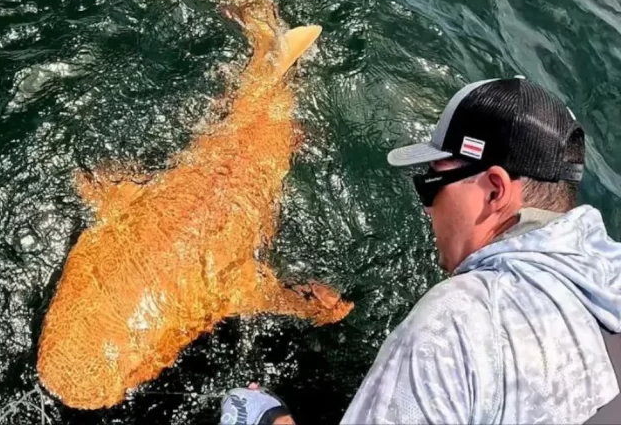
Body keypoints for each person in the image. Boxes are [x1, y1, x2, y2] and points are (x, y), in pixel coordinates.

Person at [222, 77, 621, 424]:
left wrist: (267, 418)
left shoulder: (457, 322)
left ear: (496, 190)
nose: (427, 206)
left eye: (431, 185)